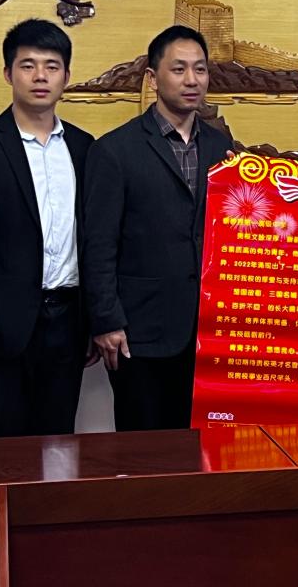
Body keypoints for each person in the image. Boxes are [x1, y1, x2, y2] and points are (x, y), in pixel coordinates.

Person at [0, 19, 94, 438]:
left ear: (66, 76)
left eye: (52, 66)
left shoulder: (84, 148)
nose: (40, 76)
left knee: (58, 446)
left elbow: (92, 242)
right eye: (28, 65)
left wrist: (93, 322)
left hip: (67, 324)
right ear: (8, 74)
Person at [83, 25, 232, 431]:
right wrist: (106, 320)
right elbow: (98, 245)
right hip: (140, 331)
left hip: (206, 332)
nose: (191, 80)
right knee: (142, 450)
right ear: (152, 78)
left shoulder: (222, 149)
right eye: (179, 69)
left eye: (200, 69)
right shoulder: (114, 150)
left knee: (198, 448)